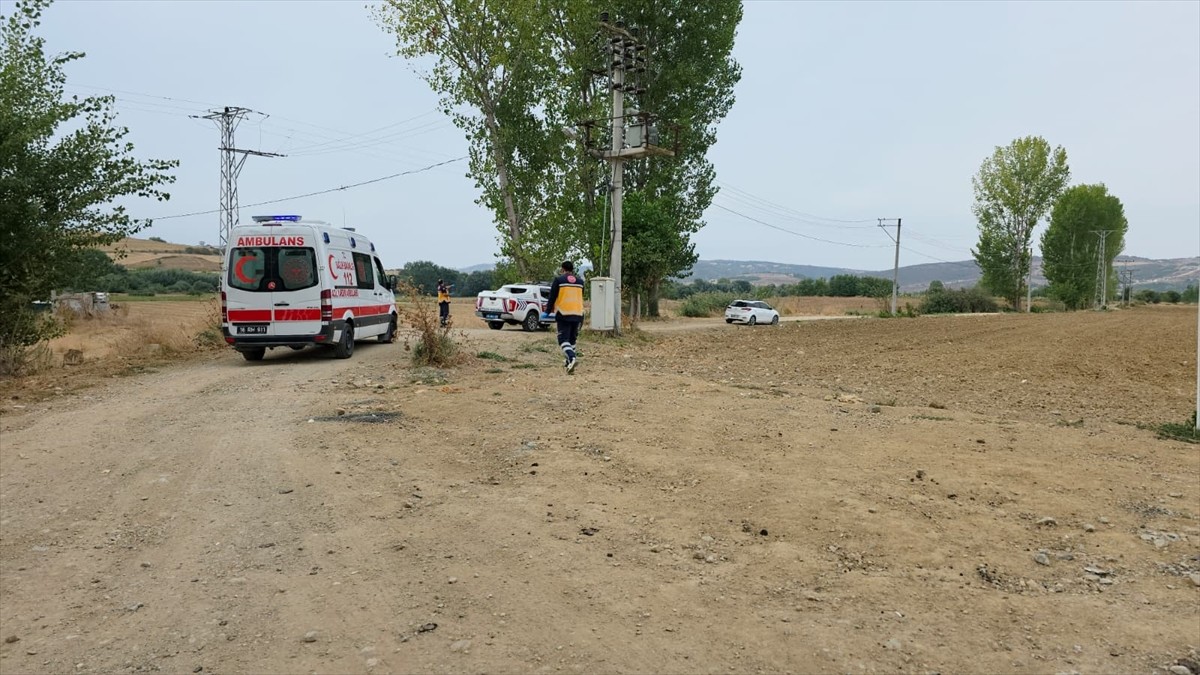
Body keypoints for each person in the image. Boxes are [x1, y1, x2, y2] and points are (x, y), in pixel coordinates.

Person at [546, 260, 585, 373]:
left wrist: (547, 311)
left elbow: (552, 297)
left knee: (563, 339)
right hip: (578, 313)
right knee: (572, 339)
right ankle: (569, 363)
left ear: (562, 269)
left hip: (564, 313)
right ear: (572, 269)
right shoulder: (580, 282)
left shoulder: (559, 280)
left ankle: (572, 357)